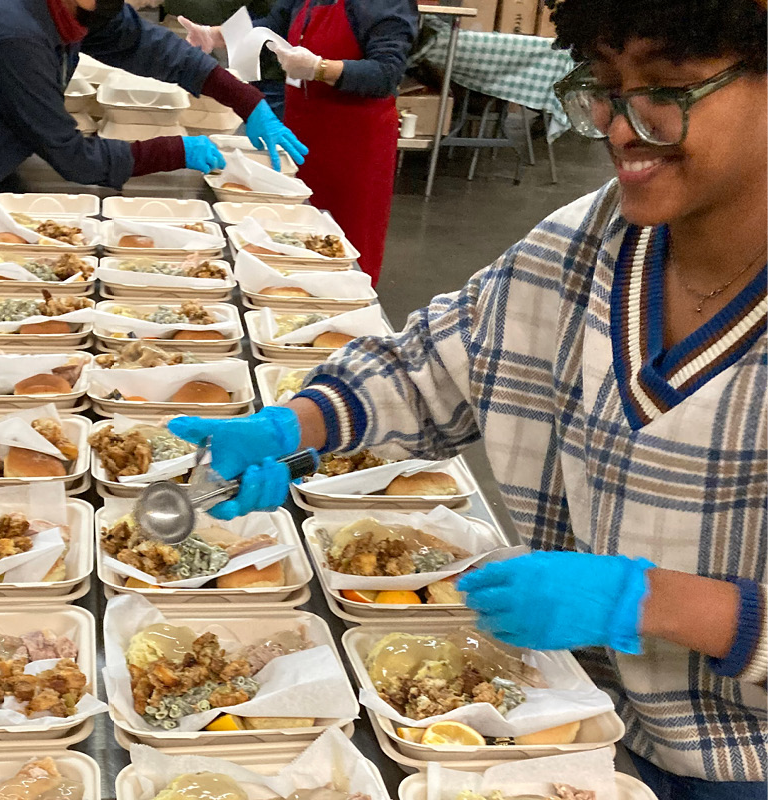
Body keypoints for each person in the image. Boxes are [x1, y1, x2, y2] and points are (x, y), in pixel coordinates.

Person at [168, 0, 767, 796]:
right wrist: (293, 423)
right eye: (603, 86)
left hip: (727, 762)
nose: (619, 129)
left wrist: (654, 601)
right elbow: (428, 368)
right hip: (552, 712)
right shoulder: (583, 247)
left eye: (665, 90)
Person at [0, 0, 305, 339]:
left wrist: (248, 101)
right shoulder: (12, 32)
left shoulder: (74, 11)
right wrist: (176, 150)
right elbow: (70, 153)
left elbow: (152, 47)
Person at [178, 0, 416, 284]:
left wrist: (320, 68)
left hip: (355, 147)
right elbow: (270, 24)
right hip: (301, 133)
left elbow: (387, 73)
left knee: (344, 245)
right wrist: (216, 35)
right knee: (293, 232)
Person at [162, 0, 288, 116]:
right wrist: (216, 35)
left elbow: (218, 9)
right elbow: (276, 20)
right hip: (262, 65)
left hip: (278, 76)